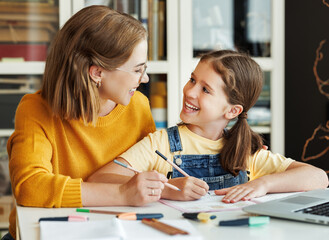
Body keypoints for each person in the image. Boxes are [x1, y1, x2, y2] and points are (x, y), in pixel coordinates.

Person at [5, 6, 169, 240]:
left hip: (115, 230)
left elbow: (150, 170)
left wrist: (171, 186)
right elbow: (31, 187)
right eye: (137, 70)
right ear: (97, 73)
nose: (145, 79)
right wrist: (122, 193)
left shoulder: (139, 105)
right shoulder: (35, 109)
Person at [88, 50, 329, 203]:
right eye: (192, 79)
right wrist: (166, 189)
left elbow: (318, 177)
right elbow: (100, 179)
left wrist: (263, 184)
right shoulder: (160, 143)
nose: (189, 91)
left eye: (205, 89)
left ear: (232, 111)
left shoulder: (245, 151)